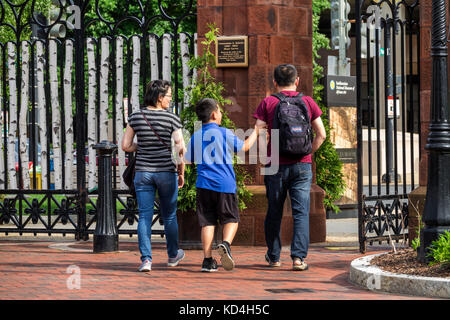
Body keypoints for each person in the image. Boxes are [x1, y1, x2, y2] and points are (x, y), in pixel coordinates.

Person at [253, 64, 326, 271]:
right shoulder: (308, 102)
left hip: (274, 164)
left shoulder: (268, 102)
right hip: (302, 165)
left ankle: (274, 256)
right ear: (297, 81)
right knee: (300, 212)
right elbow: (322, 134)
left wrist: (264, 156)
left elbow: (258, 132)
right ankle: (298, 259)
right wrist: (307, 153)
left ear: (274, 82)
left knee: (274, 210)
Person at [186, 98, 259, 272]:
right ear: (213, 114)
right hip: (225, 184)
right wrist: (256, 132)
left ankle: (207, 260)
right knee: (231, 219)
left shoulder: (196, 135)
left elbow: (187, 160)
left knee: (208, 222)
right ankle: (225, 244)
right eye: (219, 111)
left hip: (203, 184)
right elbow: (245, 147)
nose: (221, 114)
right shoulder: (224, 132)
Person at [122, 79, 186, 272]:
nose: (170, 100)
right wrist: (181, 173)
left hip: (143, 173)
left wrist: (141, 146)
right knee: (170, 216)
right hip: (166, 172)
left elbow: (126, 146)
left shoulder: (136, 116)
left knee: (144, 216)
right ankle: (173, 255)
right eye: (168, 96)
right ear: (159, 98)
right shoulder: (172, 118)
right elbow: (180, 149)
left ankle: (146, 260)